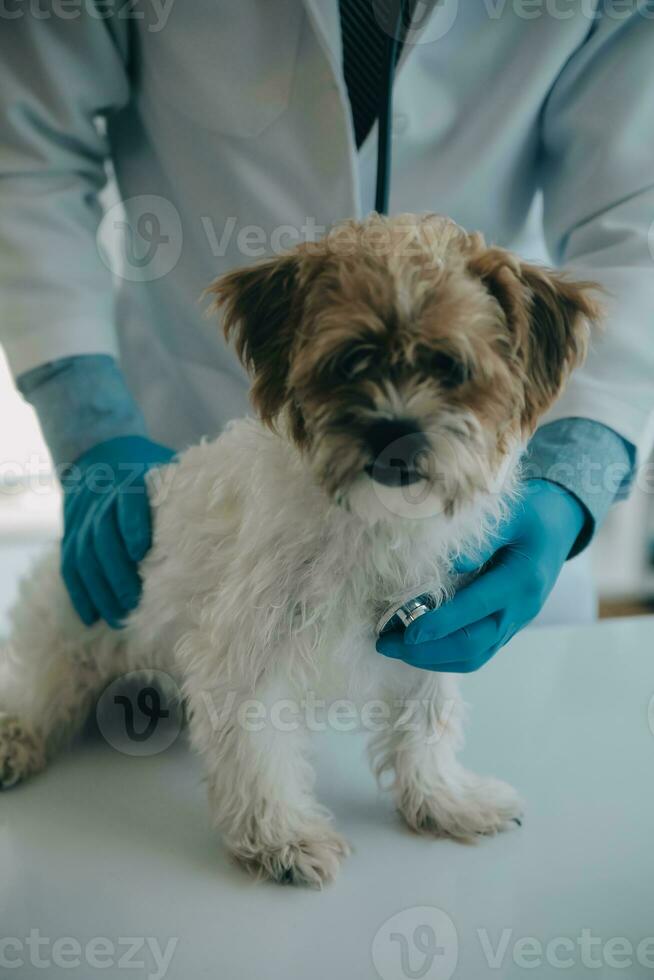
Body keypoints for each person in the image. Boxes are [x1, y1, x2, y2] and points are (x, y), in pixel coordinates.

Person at [1, 1, 651, 672]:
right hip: (186, 434)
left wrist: (572, 474)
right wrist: (90, 418)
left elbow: (639, 218)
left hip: (478, 512)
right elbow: (25, 153)